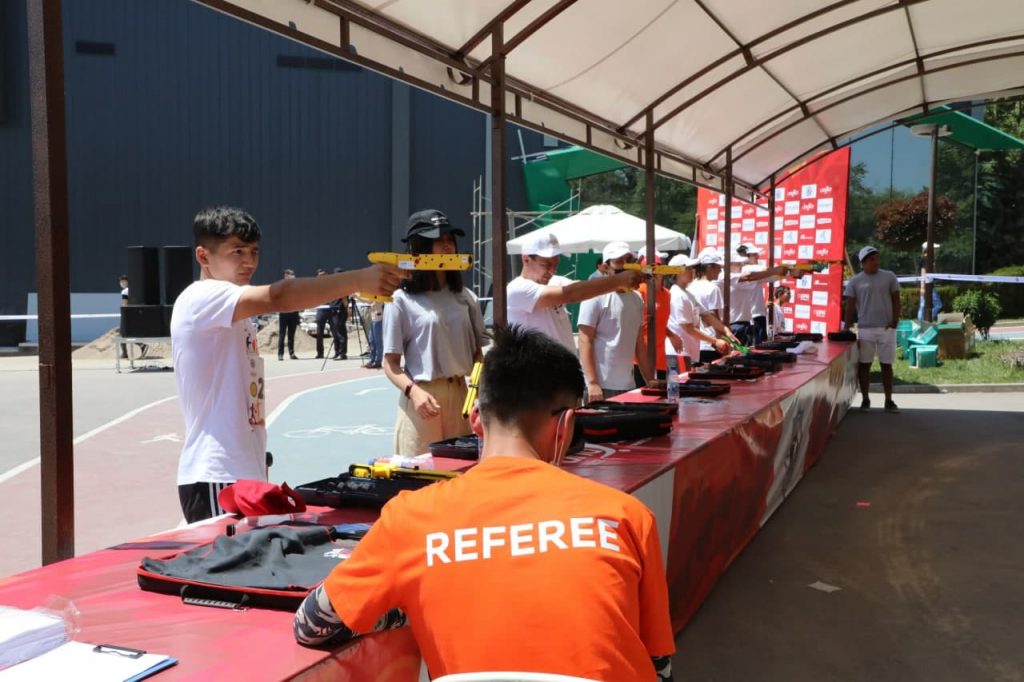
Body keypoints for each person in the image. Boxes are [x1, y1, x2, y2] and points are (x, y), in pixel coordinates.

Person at [294, 324, 676, 682]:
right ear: (566, 426)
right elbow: (658, 663)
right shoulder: (625, 516)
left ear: (476, 420)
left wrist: (404, 610)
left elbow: (313, 625)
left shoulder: (411, 517)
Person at [170, 206, 403, 523]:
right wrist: (358, 279)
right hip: (216, 474)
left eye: (254, 251)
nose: (249, 261)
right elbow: (279, 296)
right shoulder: (203, 296)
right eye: (237, 252)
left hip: (240, 472)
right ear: (203, 256)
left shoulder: (233, 308)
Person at [382, 209, 488, 456]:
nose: (448, 245)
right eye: (438, 240)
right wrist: (414, 393)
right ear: (419, 247)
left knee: (462, 472)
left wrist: (478, 390)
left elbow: (479, 352)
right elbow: (390, 363)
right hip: (422, 399)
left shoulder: (466, 297)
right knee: (419, 472)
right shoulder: (400, 300)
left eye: (450, 239)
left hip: (463, 397)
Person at [507, 232, 643, 353]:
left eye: (556, 264)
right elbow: (572, 294)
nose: (552, 270)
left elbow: (581, 287)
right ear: (526, 259)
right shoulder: (517, 289)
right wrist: (619, 280)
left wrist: (624, 281)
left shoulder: (555, 281)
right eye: (546, 264)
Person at [578, 241, 654, 402]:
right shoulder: (594, 295)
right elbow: (584, 339)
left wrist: (650, 380)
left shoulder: (637, 298)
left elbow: (639, 343)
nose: (625, 266)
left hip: (628, 384)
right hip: (600, 387)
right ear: (605, 267)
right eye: (619, 261)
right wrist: (592, 383)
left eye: (629, 260)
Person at [844, 245, 901, 414]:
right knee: (864, 365)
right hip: (865, 329)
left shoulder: (889, 276)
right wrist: (846, 327)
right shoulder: (855, 281)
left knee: (886, 365)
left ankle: (889, 401)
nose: (875, 261)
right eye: (871, 259)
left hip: (887, 328)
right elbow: (850, 306)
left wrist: (895, 321)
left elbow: (896, 300)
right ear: (862, 263)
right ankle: (865, 400)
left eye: (876, 258)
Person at [666, 254, 734, 371]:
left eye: (691, 268)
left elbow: (706, 315)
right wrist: (715, 341)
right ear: (677, 272)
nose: (692, 271)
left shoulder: (688, 294)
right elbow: (688, 328)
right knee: (679, 382)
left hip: (687, 352)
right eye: (688, 269)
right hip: (678, 353)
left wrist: (726, 331)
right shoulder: (678, 295)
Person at [687, 249, 741, 363]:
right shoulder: (713, 288)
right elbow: (714, 318)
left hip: (695, 343)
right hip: (712, 345)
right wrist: (726, 342)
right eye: (718, 267)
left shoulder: (690, 286)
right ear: (709, 267)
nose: (720, 271)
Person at [117, 274, 147, 359]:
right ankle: (126, 352)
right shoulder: (136, 290)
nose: (121, 283)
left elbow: (125, 304)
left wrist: (124, 315)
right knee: (126, 333)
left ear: (127, 282)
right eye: (120, 282)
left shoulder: (125, 291)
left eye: (123, 282)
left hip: (128, 315)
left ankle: (139, 346)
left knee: (122, 333)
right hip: (136, 313)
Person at [277, 268, 300, 361]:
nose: (292, 276)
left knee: (291, 334)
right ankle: (280, 354)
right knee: (282, 334)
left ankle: (292, 353)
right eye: (291, 274)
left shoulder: (295, 287)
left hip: (293, 313)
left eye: (293, 274)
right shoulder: (281, 286)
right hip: (284, 314)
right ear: (286, 276)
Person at [917, 241, 943, 322]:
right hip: (926, 286)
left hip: (930, 286)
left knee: (925, 305)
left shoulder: (929, 259)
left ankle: (925, 321)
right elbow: (923, 272)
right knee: (924, 305)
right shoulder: (926, 259)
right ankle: (922, 323)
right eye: (934, 249)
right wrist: (922, 287)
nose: (935, 250)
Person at [328, 268, 349, 361]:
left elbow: (344, 298)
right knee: (335, 332)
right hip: (333, 310)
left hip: (339, 310)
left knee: (340, 332)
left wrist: (347, 309)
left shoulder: (343, 284)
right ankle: (337, 352)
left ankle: (342, 353)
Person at [363, 300, 384, 369]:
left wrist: (357, 296)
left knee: (378, 342)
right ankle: (371, 360)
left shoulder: (378, 297)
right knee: (371, 341)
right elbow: (368, 300)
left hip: (378, 320)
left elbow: (370, 301)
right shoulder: (372, 296)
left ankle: (378, 361)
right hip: (373, 320)